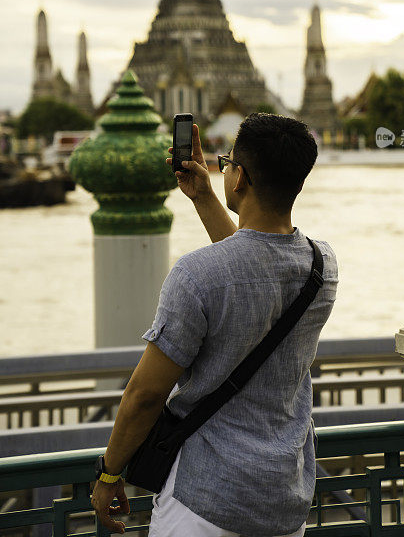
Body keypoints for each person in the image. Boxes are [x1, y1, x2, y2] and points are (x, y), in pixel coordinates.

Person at [91, 113, 338, 536]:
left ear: (238, 177)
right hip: (284, 496)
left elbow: (145, 395)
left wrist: (109, 474)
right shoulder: (322, 265)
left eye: (226, 163)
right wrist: (205, 197)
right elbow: (252, 269)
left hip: (204, 500)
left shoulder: (194, 274)